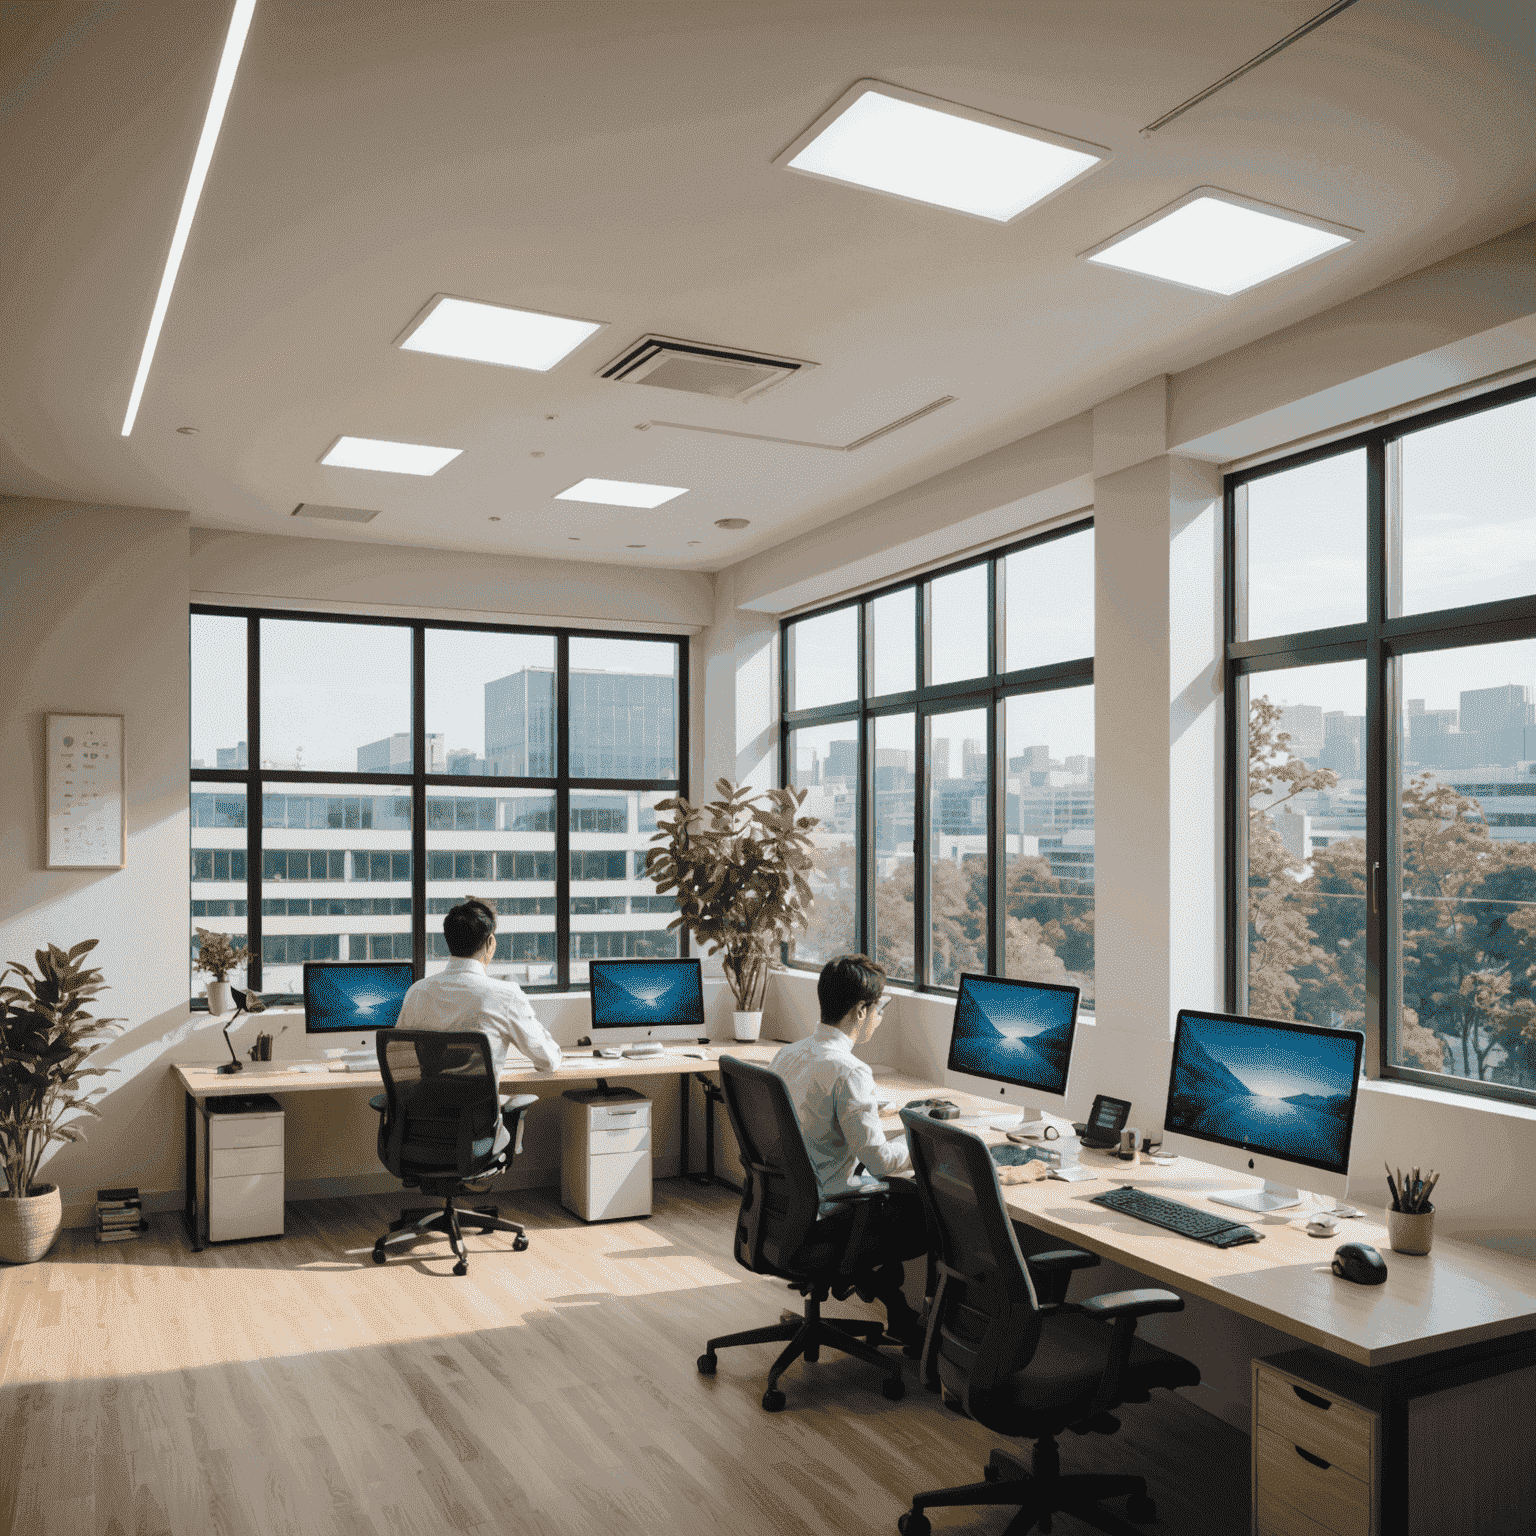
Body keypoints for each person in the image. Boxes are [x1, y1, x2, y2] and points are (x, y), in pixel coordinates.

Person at [770, 953, 928, 1346]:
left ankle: (884, 1299)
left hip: (781, 1210)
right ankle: (911, 1323)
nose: (880, 1015)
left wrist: (867, 1109)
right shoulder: (850, 1071)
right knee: (921, 1213)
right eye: (881, 1007)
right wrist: (924, 1140)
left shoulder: (788, 1055)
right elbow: (880, 1161)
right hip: (824, 1215)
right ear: (861, 1010)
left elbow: (812, 1114)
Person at [395, 898, 562, 1148]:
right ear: (490, 943)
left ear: (448, 942)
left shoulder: (417, 991)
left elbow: (400, 1055)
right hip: (476, 1133)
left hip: (422, 1126)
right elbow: (547, 1061)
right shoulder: (505, 995)